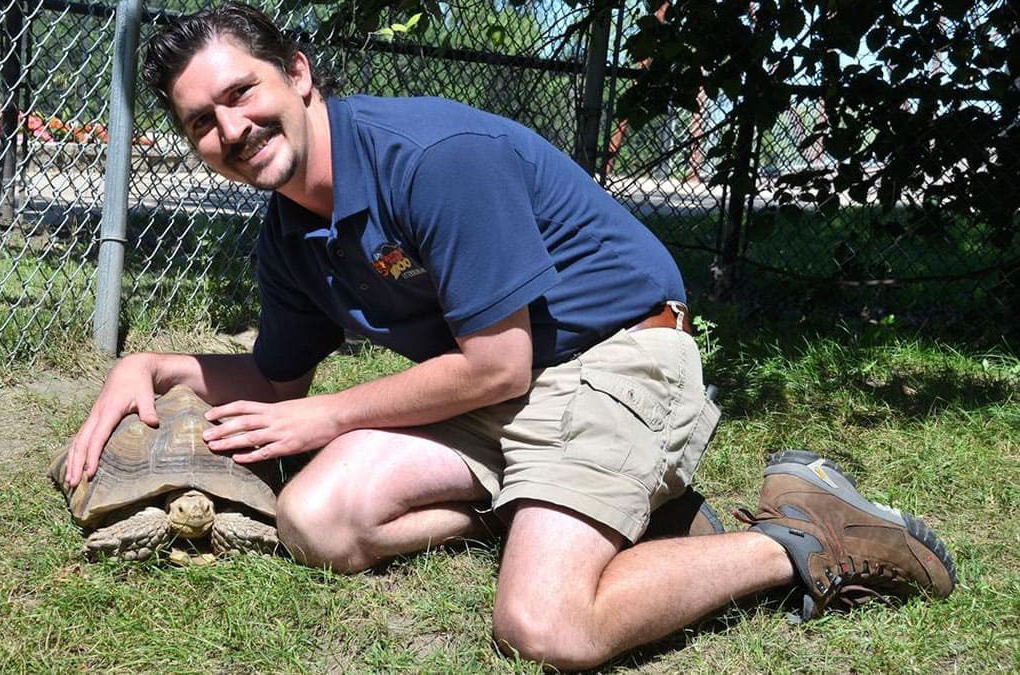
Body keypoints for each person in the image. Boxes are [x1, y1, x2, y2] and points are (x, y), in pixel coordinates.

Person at [60, 3, 956, 669]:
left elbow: (499, 359)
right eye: (200, 123)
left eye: (240, 93)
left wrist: (331, 417)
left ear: (297, 73)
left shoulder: (432, 159)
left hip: (616, 358)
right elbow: (276, 376)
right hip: (502, 395)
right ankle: (596, 513)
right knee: (316, 520)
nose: (230, 129)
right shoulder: (291, 231)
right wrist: (153, 362)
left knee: (545, 628)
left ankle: (803, 534)